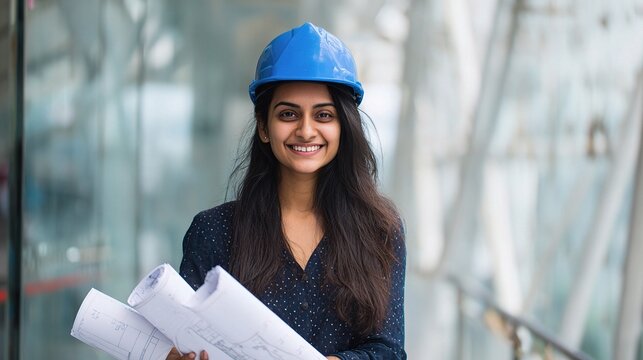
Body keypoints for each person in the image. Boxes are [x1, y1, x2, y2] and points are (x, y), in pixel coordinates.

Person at [167, 22, 406, 360]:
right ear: (264, 127)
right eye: (288, 114)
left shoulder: (380, 229)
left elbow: (388, 350)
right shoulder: (213, 232)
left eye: (323, 115)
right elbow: (183, 338)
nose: (306, 130)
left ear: (343, 127)